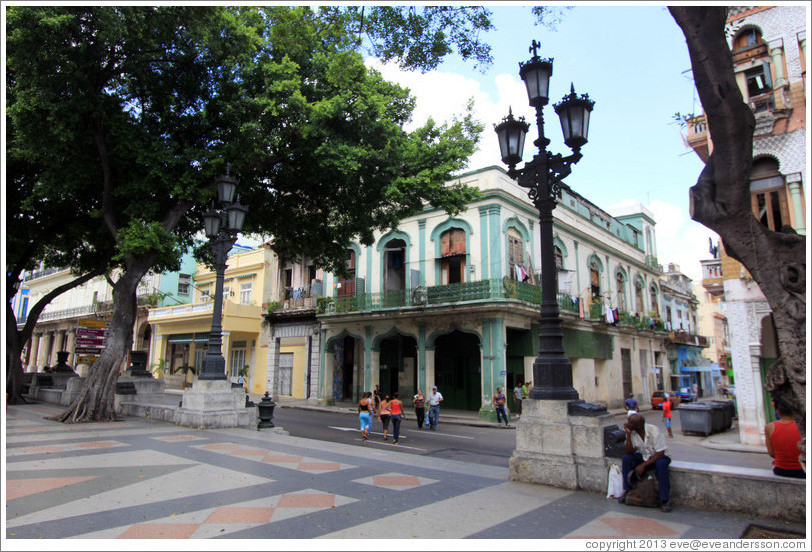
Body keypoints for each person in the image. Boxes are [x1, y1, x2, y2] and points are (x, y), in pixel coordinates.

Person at [619, 412, 673, 512]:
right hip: (644, 455)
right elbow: (629, 451)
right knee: (626, 459)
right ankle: (627, 490)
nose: (627, 424)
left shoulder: (654, 431)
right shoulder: (632, 432)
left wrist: (643, 466)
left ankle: (665, 500)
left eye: (630, 422)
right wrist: (628, 434)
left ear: (639, 425)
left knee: (661, 465)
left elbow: (660, 453)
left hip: (659, 456)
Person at [765, 401, 805, 479]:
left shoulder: (769, 427)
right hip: (803, 470)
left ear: (777, 412)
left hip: (781, 470)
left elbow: (771, 453)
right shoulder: (804, 426)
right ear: (795, 412)